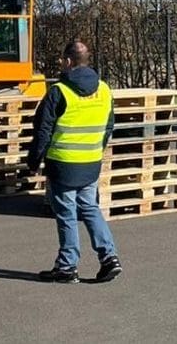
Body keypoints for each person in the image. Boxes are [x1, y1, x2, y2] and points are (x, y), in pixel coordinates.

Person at [27, 40, 123, 284]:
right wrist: (96, 150)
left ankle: (67, 266)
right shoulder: (104, 89)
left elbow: (42, 129)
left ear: (68, 61)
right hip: (90, 162)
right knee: (90, 207)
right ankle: (109, 257)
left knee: (67, 213)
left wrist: (34, 159)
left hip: (63, 164)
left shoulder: (59, 91)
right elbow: (109, 125)